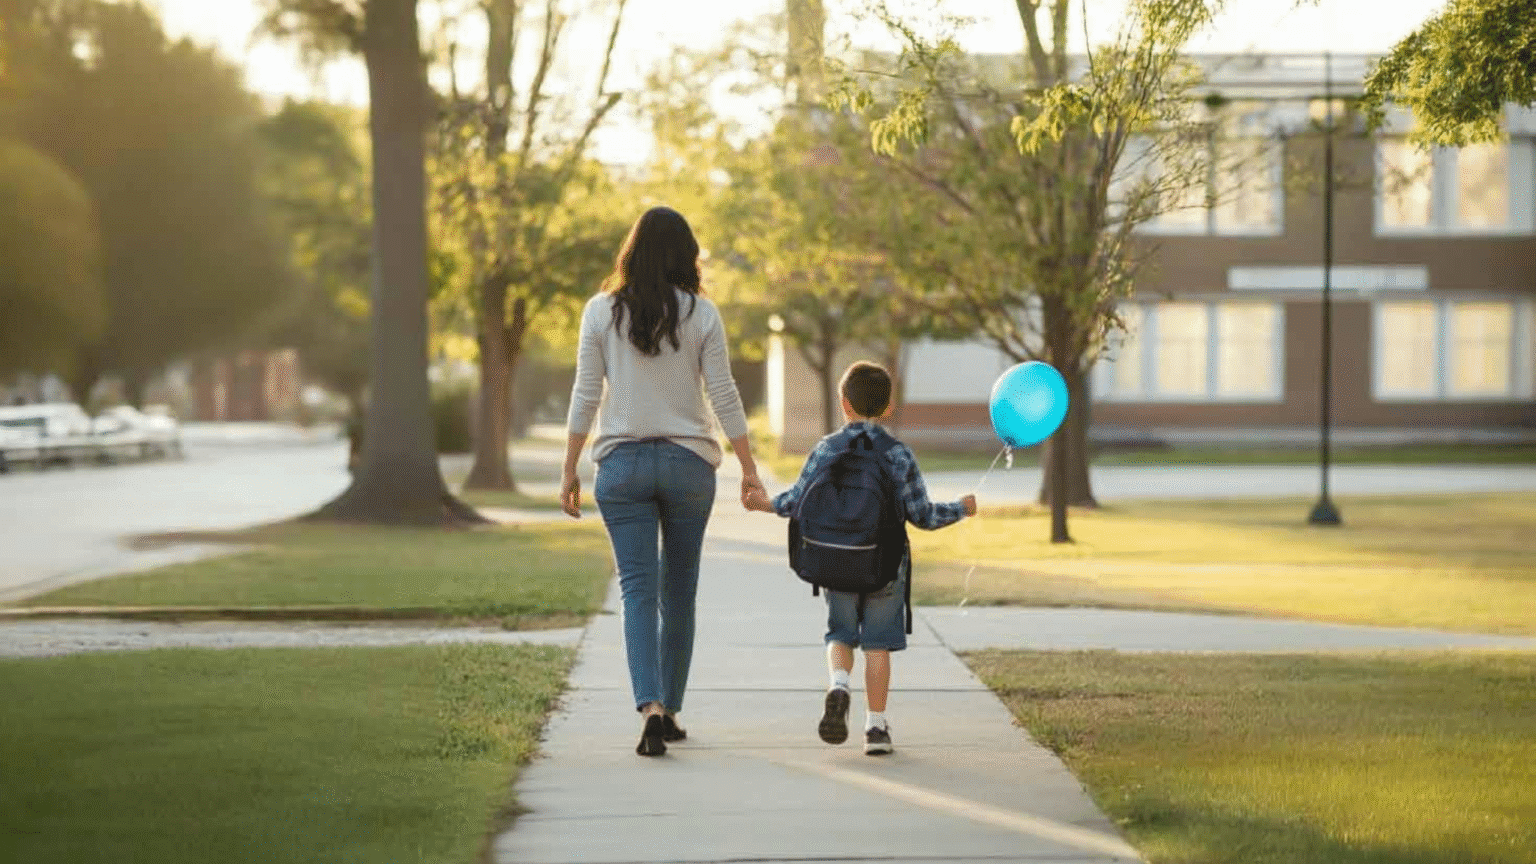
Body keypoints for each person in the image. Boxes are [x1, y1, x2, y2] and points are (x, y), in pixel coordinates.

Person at [560, 206, 766, 758]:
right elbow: (723, 395)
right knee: (680, 592)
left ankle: (648, 706)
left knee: (637, 592)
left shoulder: (599, 312)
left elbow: (585, 394)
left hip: (621, 468)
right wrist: (749, 469)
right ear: (686, 254)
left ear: (632, 250)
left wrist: (569, 469)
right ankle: (671, 710)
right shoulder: (702, 314)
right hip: (687, 466)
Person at [744, 361, 976, 755]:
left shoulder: (826, 448)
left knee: (839, 634)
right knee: (877, 646)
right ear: (888, 407)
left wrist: (764, 503)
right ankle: (876, 729)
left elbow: (797, 501)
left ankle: (838, 684)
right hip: (884, 565)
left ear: (843, 403)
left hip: (836, 562)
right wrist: (961, 508)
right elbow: (922, 515)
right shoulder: (898, 454)